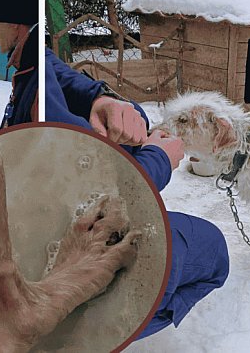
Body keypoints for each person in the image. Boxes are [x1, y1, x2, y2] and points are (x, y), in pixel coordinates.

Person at [44, 48, 230, 339]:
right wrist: (158, 160)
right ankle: (87, 333)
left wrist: (99, 97)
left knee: (133, 127)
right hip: (65, 244)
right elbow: (91, 201)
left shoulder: (31, 66)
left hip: (53, 214)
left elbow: (51, 67)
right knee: (214, 251)